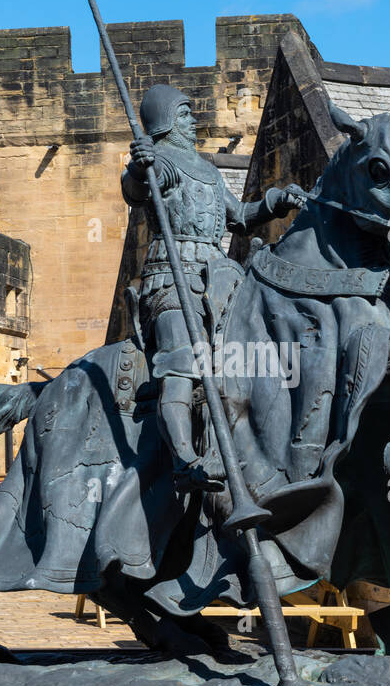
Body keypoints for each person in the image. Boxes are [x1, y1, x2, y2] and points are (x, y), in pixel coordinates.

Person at [122, 83, 303, 492]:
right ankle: (185, 461)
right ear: (166, 121)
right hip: (171, 278)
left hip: (218, 279)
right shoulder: (160, 161)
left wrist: (276, 202)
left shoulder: (207, 170)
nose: (193, 121)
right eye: (184, 114)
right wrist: (137, 168)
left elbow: (240, 217)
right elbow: (138, 189)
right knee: (181, 364)